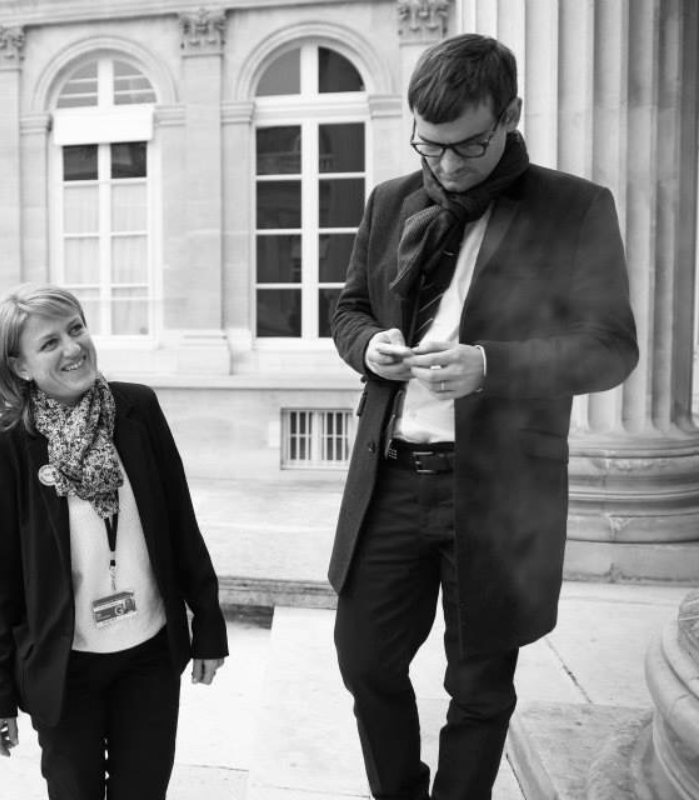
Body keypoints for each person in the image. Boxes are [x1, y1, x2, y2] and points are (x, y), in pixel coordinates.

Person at [328, 33, 638, 800]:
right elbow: (350, 308)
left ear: (511, 115)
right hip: (392, 477)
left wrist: (491, 367)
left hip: (500, 493)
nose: (447, 165)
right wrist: (370, 348)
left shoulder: (574, 208)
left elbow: (610, 349)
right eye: (429, 146)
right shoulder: (391, 200)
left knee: (479, 688)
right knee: (365, 664)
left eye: (468, 146)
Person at [0, 283, 228, 799]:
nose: (73, 348)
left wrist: (208, 622)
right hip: (66, 667)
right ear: (20, 366)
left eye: (76, 329)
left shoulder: (138, 408)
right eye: (49, 343)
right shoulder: (7, 444)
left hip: (149, 655)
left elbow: (180, 521)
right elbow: (2, 574)